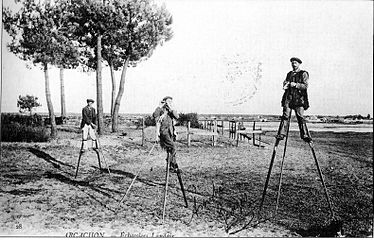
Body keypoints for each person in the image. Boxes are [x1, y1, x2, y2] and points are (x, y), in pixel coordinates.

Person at [276, 57, 312, 142]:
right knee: (285, 116)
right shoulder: (289, 74)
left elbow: (305, 86)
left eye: (295, 62)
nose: (293, 64)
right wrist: (285, 84)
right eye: (292, 62)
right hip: (288, 97)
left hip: (299, 98)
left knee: (300, 117)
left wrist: (295, 84)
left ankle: (305, 135)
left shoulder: (304, 73)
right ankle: (281, 134)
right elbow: (286, 84)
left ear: (299, 64)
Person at [153, 96, 179, 172]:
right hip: (164, 133)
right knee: (173, 147)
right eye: (168, 101)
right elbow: (155, 116)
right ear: (165, 102)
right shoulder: (161, 110)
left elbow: (177, 116)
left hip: (170, 133)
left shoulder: (171, 111)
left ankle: (172, 166)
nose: (170, 103)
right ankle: (171, 164)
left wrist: (171, 108)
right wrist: (159, 106)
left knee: (171, 150)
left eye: (171, 102)